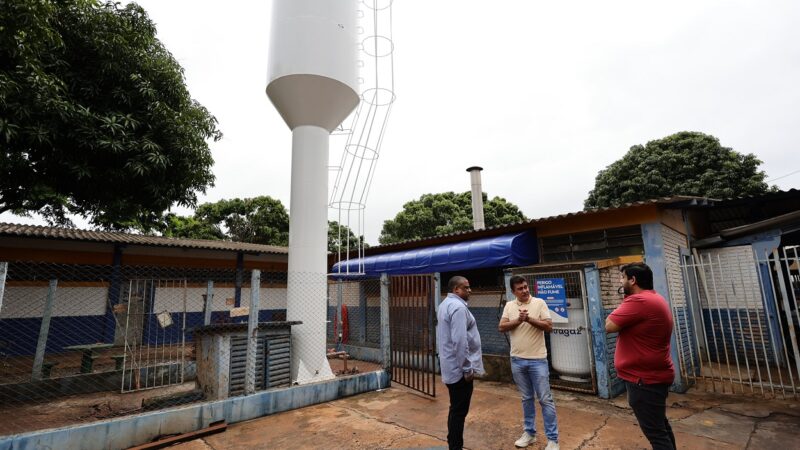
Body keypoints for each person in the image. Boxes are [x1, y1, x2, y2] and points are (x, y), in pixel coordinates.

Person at [605, 262, 676, 450]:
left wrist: (626, 299)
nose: (620, 282)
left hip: (643, 380)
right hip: (652, 376)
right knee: (660, 426)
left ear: (632, 280)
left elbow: (609, 325)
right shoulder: (655, 298)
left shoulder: (638, 301)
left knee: (656, 434)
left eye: (622, 278)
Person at [499, 275, 559, 450]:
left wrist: (529, 319)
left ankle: (553, 440)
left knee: (545, 400)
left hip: (537, 360)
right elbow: (501, 327)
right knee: (526, 398)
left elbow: (549, 327)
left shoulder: (539, 303)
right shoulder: (510, 306)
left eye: (525, 287)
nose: (524, 290)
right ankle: (530, 434)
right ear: (513, 292)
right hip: (517, 360)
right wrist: (518, 320)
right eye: (520, 288)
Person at [437, 275, 484, 450]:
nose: (470, 290)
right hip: (459, 371)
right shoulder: (457, 307)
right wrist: (467, 369)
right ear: (456, 289)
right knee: (459, 412)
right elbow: (460, 341)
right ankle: (455, 446)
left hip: (451, 366)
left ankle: (453, 443)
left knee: (455, 409)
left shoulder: (445, 305)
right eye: (466, 287)